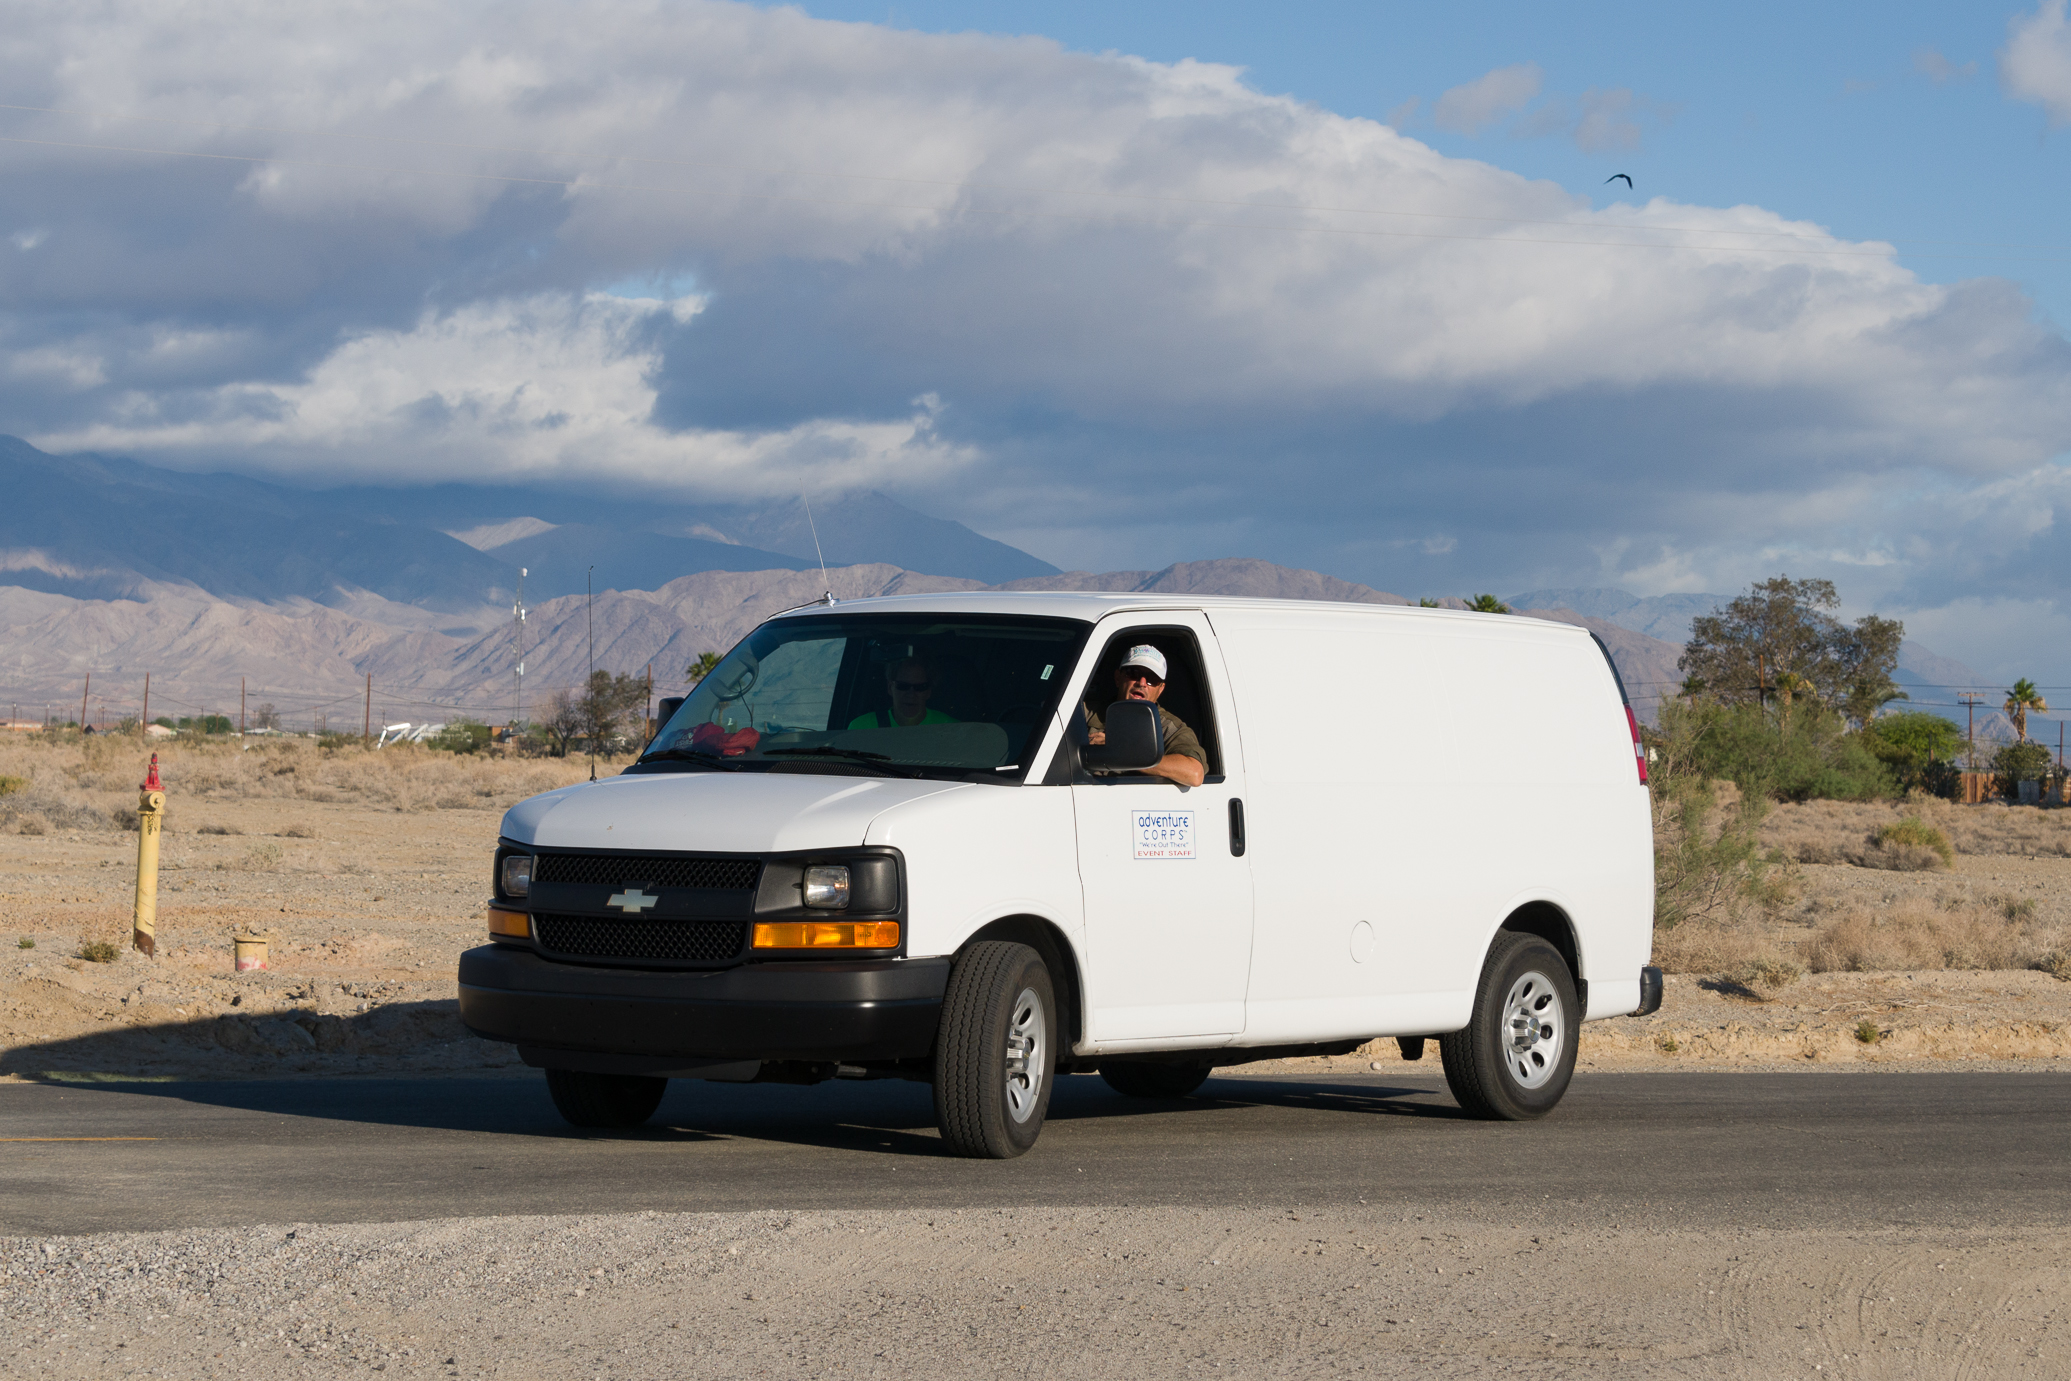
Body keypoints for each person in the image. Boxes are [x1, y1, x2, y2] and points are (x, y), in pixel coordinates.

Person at [1084, 644, 1207, 787]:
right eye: (1133, 673)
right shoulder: (1083, 714)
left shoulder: (1170, 728)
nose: (1142, 683)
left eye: (1152, 679)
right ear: (1118, 678)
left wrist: (1123, 753)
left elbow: (1194, 774)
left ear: (1160, 689)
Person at [848, 657, 957, 729]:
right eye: (903, 686)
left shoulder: (952, 729)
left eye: (919, 687)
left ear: (928, 691)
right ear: (890, 688)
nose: (911, 693)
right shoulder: (861, 727)